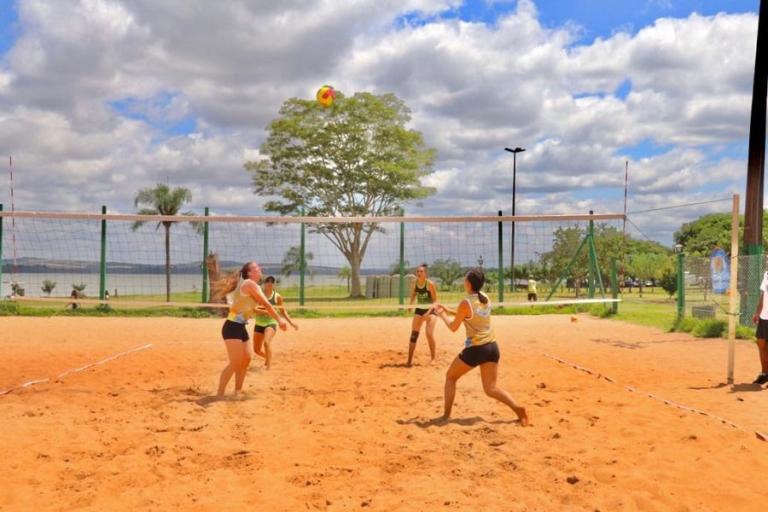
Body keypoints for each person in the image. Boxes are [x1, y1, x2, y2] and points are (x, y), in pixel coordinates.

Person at [434, 268, 529, 425]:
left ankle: (446, 416)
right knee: (491, 389)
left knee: (450, 377)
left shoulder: (466, 302)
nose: (464, 281)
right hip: (492, 347)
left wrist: (441, 314)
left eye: (465, 279)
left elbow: (453, 327)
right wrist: (448, 309)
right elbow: (468, 316)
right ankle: (519, 409)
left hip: (476, 349)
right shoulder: (485, 297)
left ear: (469, 283)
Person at [212, 262, 286, 398]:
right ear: (250, 273)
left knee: (246, 359)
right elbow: (267, 304)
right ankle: (220, 394)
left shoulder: (250, 286)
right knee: (235, 363)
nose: (260, 268)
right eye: (256, 267)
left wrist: (267, 313)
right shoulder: (249, 284)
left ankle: (237, 392)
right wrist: (279, 320)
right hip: (231, 327)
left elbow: (253, 308)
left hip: (240, 327)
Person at [252, 276, 298, 369]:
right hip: (259, 323)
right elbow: (254, 309)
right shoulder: (258, 295)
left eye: (272, 281)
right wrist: (269, 311)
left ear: (274, 284)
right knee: (256, 350)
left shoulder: (277, 297)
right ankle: (268, 358)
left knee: (266, 342)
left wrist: (291, 323)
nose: (270, 283)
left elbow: (283, 311)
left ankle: (268, 368)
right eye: (267, 281)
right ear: (264, 284)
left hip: (271, 322)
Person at [406, 263, 439, 366]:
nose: (419, 273)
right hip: (420, 310)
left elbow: (435, 302)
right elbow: (413, 294)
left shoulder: (430, 284)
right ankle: (409, 361)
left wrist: (428, 312)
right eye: (418, 271)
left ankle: (433, 358)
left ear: (425, 274)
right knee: (414, 335)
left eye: (421, 271)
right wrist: (410, 306)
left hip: (431, 311)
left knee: (429, 334)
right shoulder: (414, 283)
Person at [751, 270, 768, 385]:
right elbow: (763, 295)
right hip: (764, 316)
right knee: (761, 344)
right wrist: (757, 312)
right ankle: (764, 374)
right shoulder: (767, 274)